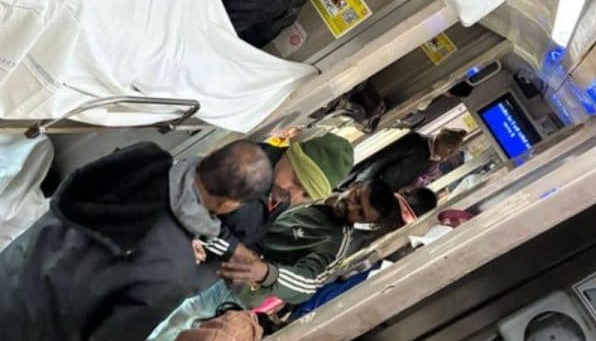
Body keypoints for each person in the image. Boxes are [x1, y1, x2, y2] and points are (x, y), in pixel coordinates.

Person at [0, 140, 272, 341]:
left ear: (212, 153)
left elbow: (64, 204)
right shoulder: (174, 271)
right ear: (229, 204)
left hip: (11, 272)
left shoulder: (139, 161)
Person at [149, 179, 402, 339]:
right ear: (356, 185)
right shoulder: (316, 194)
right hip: (221, 256)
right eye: (356, 199)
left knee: (181, 317)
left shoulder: (336, 243)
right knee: (167, 303)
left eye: (360, 214)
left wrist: (266, 272)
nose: (352, 208)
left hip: (237, 287)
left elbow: (307, 284)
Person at [202, 132, 354, 264]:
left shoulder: (280, 193)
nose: (294, 195)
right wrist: (234, 251)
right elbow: (197, 211)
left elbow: (254, 233)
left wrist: (255, 256)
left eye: (306, 195)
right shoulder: (243, 165)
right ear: (289, 156)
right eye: (296, 181)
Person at [350, 128, 468, 193]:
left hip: (380, 191)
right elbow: (382, 159)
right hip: (368, 181)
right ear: (442, 142)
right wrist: (362, 180)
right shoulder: (415, 141)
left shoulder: (432, 161)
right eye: (450, 151)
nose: (447, 156)